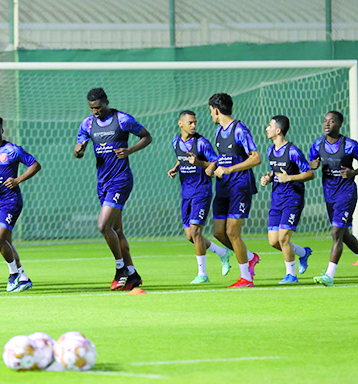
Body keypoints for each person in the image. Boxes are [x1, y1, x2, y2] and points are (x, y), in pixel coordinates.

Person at [73, 87, 152, 291]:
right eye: (92, 108)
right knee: (116, 230)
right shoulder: (87, 123)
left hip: (121, 180)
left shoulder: (123, 120)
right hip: (103, 182)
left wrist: (129, 150)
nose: (95, 112)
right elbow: (78, 150)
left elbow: (146, 136)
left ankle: (120, 269)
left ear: (106, 102)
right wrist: (79, 151)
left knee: (102, 225)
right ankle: (133, 274)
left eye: (98, 107)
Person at [0, 115, 42, 292]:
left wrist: (18, 180)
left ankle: (13, 274)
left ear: (2, 130)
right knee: (6, 242)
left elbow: (35, 165)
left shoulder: (12, 150)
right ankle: (24, 277)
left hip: (11, 200)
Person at [167, 110, 232, 284]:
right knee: (190, 236)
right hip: (186, 192)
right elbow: (183, 158)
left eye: (195, 122)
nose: (194, 125)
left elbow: (215, 161)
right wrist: (176, 168)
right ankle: (223, 253)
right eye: (190, 123)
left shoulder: (202, 142)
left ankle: (202, 274)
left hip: (201, 191)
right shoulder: (175, 142)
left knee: (196, 232)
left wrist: (199, 163)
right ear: (181, 124)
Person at [206, 93, 261, 288]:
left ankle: (246, 277)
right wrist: (213, 166)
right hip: (223, 188)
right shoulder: (218, 132)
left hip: (239, 186)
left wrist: (229, 169)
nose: (210, 115)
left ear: (216, 110)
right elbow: (224, 157)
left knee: (232, 231)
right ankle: (250, 257)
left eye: (210, 111)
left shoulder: (239, 130)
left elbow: (256, 158)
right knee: (219, 232)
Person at [260, 115, 314, 284]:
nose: (266, 128)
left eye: (269, 126)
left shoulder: (292, 151)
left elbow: (310, 173)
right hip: (277, 199)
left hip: (292, 199)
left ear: (278, 130)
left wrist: (289, 178)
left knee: (283, 238)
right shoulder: (270, 150)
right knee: (273, 241)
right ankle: (303, 253)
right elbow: (276, 174)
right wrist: (268, 179)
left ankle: (291, 275)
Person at [309, 111, 358, 286]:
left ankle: (329, 276)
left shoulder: (350, 145)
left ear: (339, 124)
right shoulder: (317, 144)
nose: (327, 124)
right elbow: (310, 162)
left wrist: (353, 172)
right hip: (329, 194)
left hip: (346, 193)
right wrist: (311, 165)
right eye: (325, 121)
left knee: (336, 232)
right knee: (344, 235)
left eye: (331, 121)